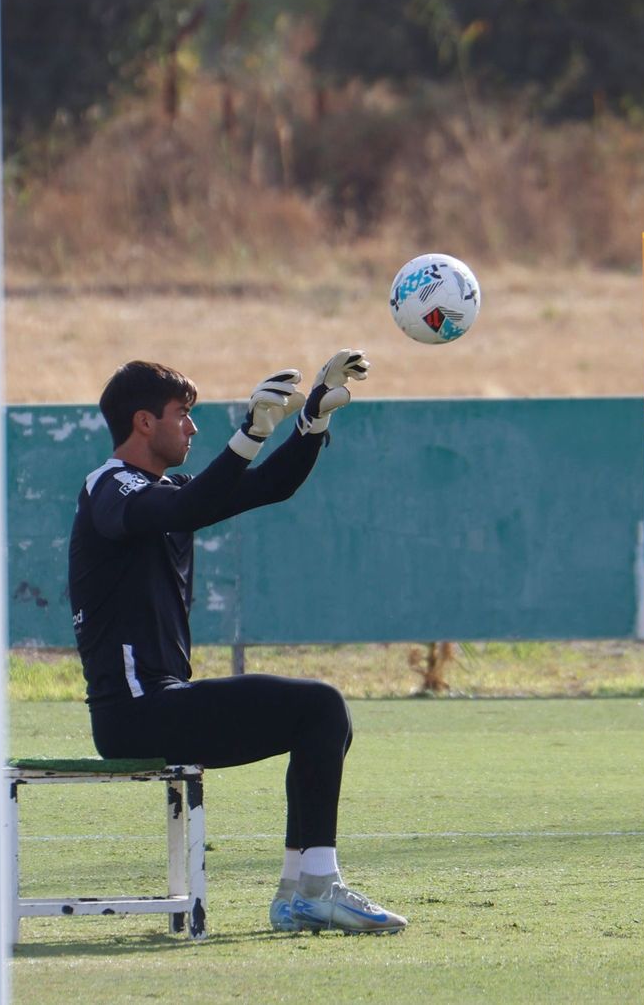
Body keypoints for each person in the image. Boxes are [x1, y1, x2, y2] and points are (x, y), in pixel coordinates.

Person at [67, 350, 407, 935]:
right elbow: (189, 504)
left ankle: (300, 892)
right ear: (144, 422)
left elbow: (268, 486)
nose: (193, 427)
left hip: (162, 702)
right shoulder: (111, 485)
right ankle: (317, 887)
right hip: (133, 712)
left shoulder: (167, 490)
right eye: (182, 414)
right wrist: (249, 432)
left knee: (324, 719)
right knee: (320, 706)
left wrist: (313, 422)